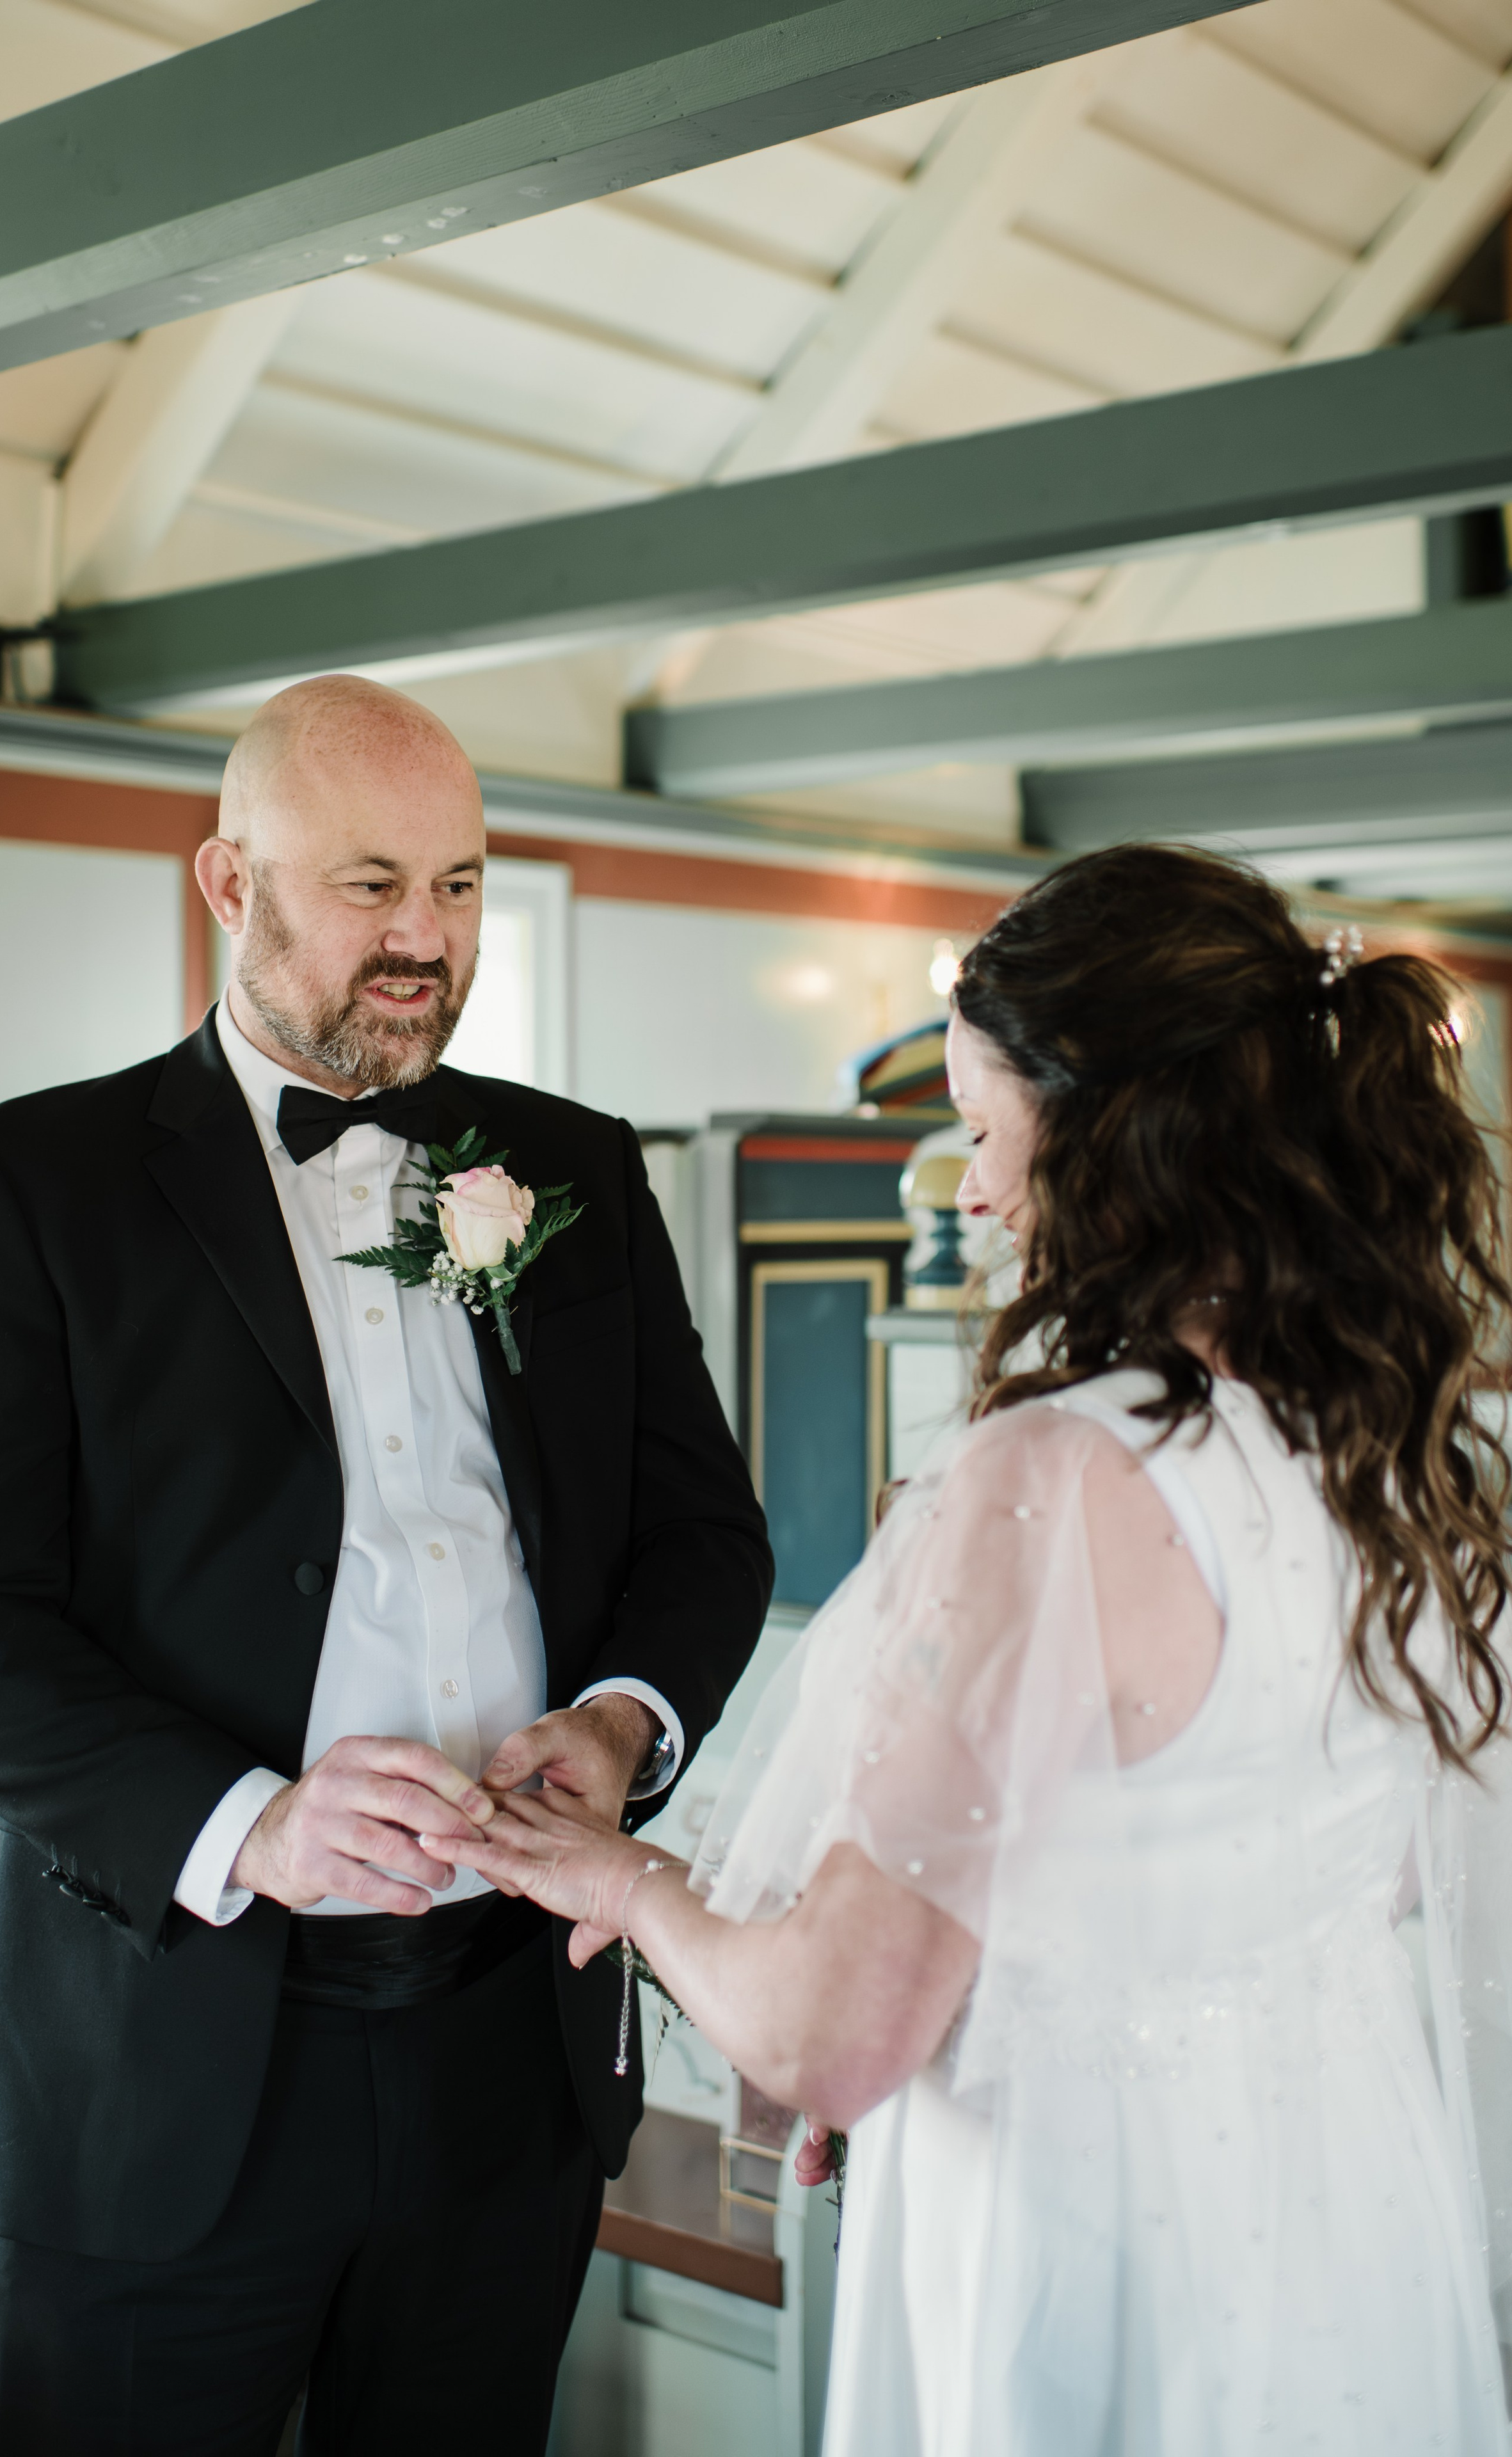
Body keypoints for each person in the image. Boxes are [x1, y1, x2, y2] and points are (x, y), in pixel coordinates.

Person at [425, 843, 1512, 2454]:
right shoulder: (1423, 1445)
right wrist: (969, 1985)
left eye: (986, 1133)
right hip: (1343, 2200)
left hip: (1095, 2219)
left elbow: (825, 2039)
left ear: (1114, 1133)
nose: (972, 1190)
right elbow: (1337, 1868)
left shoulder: (1059, 1480)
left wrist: (619, 1882)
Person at [0, 674, 771, 2455]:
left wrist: (616, 1725)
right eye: (372, 886)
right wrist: (254, 1825)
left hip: (507, 2054)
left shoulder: (569, 1168)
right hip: (164, 2064)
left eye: (459, 885)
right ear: (230, 882)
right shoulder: (35, 1186)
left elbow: (704, 1533)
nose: (425, 941)